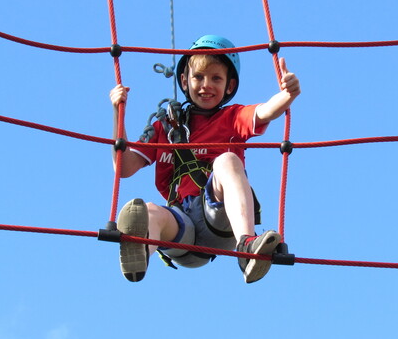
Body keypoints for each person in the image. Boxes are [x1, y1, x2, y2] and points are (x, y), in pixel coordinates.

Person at [109, 34, 301, 284]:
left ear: (229, 87)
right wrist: (118, 114)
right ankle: (139, 252)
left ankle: (247, 246)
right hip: (182, 228)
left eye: (216, 78)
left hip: (218, 219)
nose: (206, 85)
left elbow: (265, 111)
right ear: (184, 81)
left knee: (227, 160)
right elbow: (123, 167)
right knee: (148, 211)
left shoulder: (232, 117)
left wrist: (287, 95)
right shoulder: (165, 128)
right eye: (198, 77)